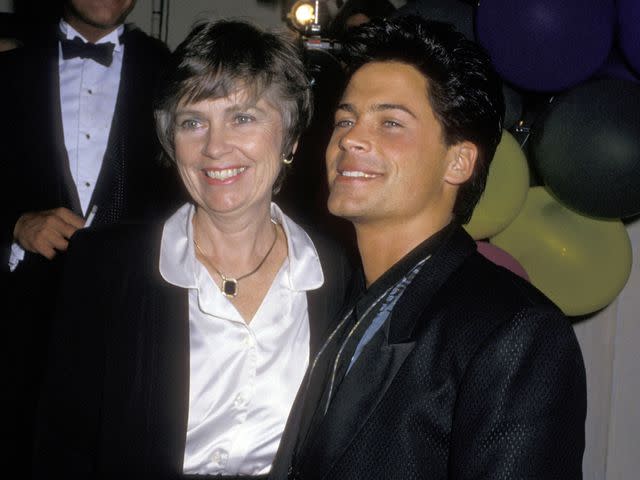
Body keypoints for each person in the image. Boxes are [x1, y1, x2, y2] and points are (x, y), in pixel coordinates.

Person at [32, 19, 352, 478]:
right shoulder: (103, 265)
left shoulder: (336, 273)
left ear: (291, 139)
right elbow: (62, 446)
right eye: (193, 121)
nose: (215, 147)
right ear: (170, 139)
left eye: (242, 117)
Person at [271, 16, 587, 480]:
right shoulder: (333, 298)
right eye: (346, 118)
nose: (350, 137)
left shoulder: (517, 334)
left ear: (458, 161)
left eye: (391, 122)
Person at [0, 0, 181, 469]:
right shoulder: (9, 70)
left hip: (137, 313)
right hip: (21, 321)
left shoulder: (171, 71)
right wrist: (15, 225)